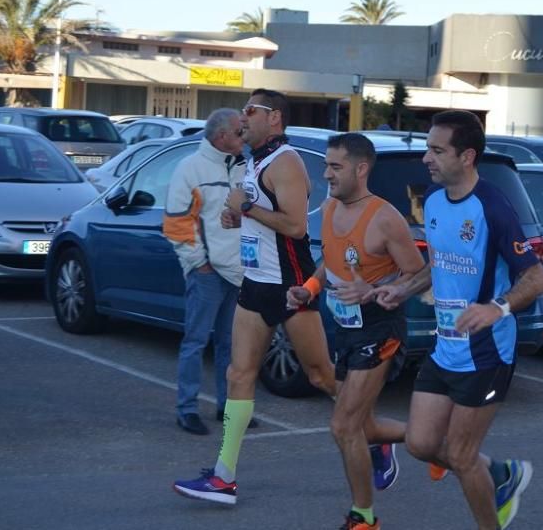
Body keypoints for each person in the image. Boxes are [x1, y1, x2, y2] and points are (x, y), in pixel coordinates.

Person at [172, 89, 394, 505]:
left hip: (289, 286)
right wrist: (237, 216)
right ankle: (224, 476)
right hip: (255, 282)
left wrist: (248, 208)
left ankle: (375, 437)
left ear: (274, 118)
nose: (243, 117)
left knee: (320, 376)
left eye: (251, 111)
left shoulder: (286, 162)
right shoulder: (254, 161)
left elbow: (294, 227)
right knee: (239, 375)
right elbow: (262, 217)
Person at [371, 110, 543, 530]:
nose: (426, 160)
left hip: (487, 355)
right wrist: (403, 289)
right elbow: (440, 264)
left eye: (437, 151)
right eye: (427, 149)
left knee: (463, 456)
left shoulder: (493, 208)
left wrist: (497, 308)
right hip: (445, 347)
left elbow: (537, 276)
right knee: (421, 443)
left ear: (466, 156)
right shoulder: (432, 201)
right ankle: (502, 474)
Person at [286, 133, 426, 530]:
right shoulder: (330, 207)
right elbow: (328, 264)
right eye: (326, 165)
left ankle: (363, 517)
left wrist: (379, 290)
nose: (326, 174)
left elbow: (416, 273)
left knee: (343, 426)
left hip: (381, 330)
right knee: (363, 427)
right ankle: (439, 445)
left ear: (361, 169)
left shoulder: (384, 217)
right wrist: (309, 289)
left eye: (335, 166)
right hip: (348, 330)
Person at [162, 108, 247, 435]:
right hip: (209, 272)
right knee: (196, 341)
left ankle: (227, 406)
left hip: (240, 272)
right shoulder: (191, 169)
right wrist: (200, 263)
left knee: (231, 344)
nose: (245, 136)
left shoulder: (243, 165)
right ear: (222, 136)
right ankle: (187, 409)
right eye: (240, 131)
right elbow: (176, 222)